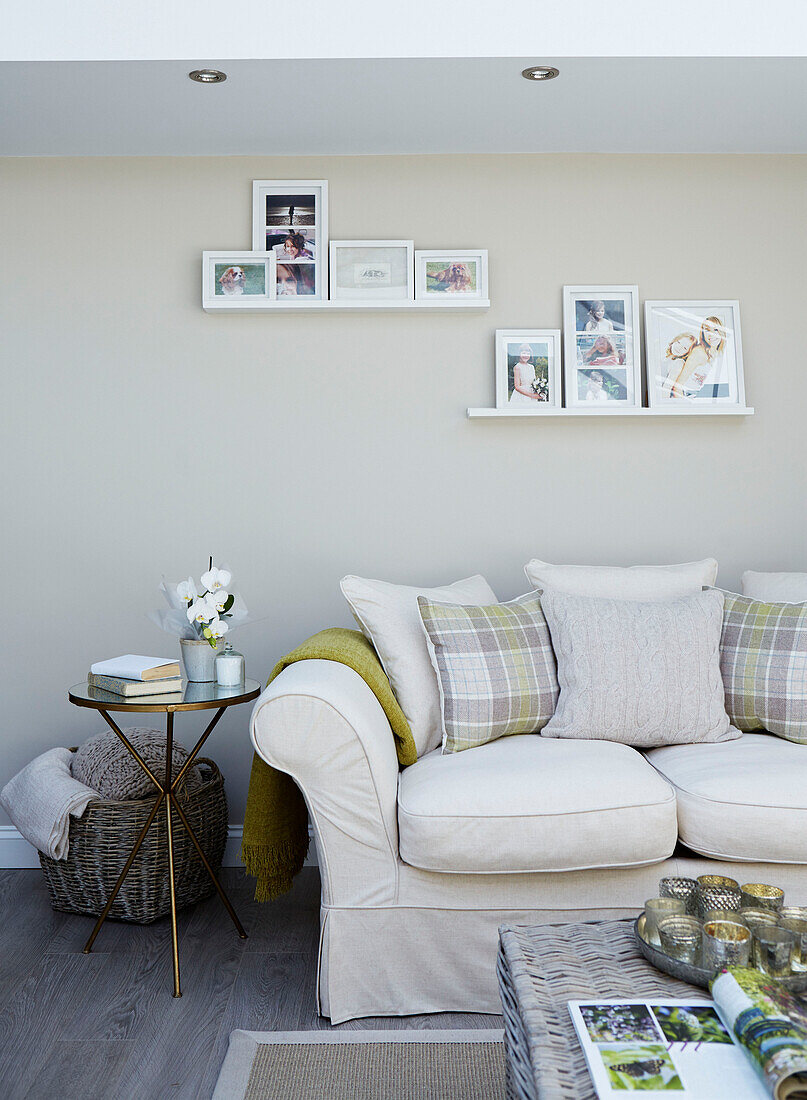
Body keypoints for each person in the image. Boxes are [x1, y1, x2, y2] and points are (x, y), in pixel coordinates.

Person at [665, 317, 726, 398]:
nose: (711, 334)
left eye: (715, 330)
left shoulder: (718, 353)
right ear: (703, 334)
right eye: (707, 330)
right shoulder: (699, 352)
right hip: (684, 398)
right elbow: (677, 387)